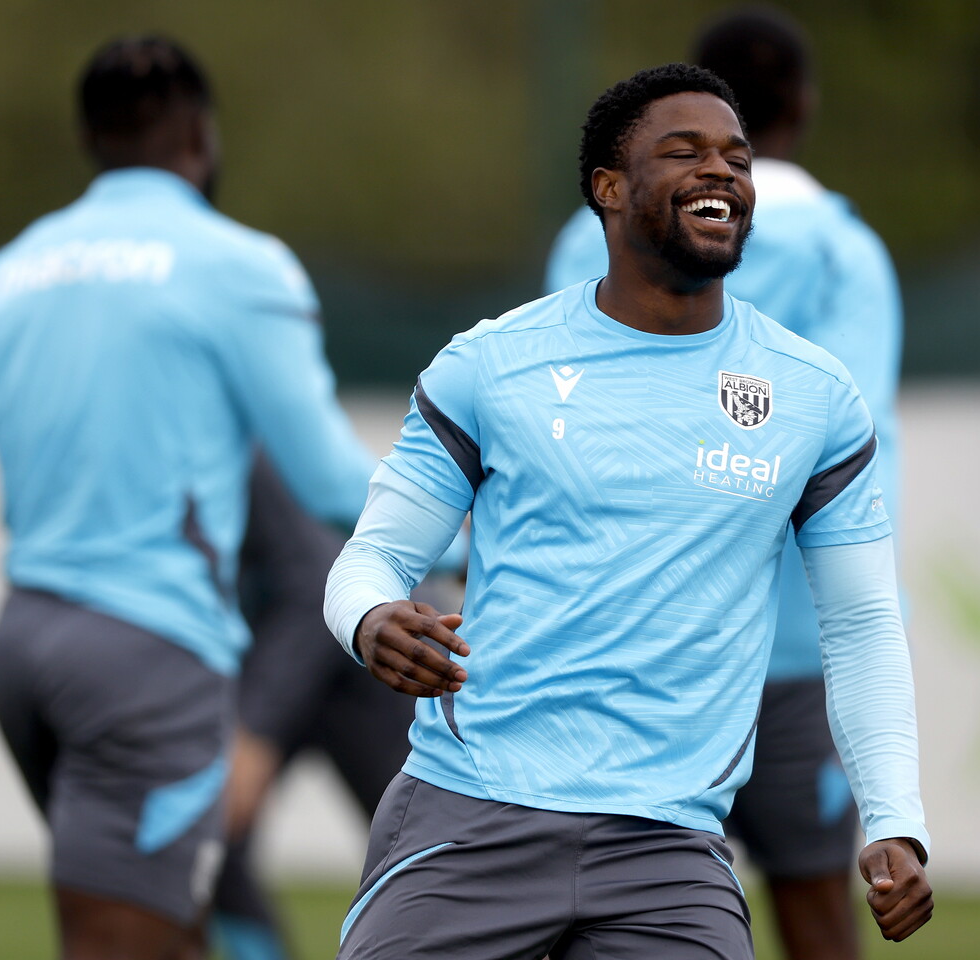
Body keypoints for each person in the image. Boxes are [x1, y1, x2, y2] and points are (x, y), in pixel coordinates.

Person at [323, 63, 932, 959]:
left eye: (736, 156)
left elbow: (862, 621)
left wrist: (895, 816)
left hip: (669, 850)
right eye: (683, 152)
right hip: (468, 816)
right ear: (609, 189)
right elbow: (370, 557)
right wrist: (371, 619)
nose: (720, 171)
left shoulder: (813, 396)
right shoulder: (489, 365)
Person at [0, 35, 376, 960]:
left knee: (176, 933)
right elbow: (325, 480)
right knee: (126, 942)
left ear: (88, 138)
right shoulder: (240, 266)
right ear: (201, 136)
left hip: (26, 657)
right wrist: (484, 524)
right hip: (148, 671)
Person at [544, 9, 904, 959]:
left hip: (617, 653)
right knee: (819, 919)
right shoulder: (844, 251)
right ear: (807, 106)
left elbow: (551, 420)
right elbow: (847, 444)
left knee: (587, 914)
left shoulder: (599, 228)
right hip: (784, 654)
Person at [211, 453, 462, 960]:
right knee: (209, 834)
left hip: (361, 667)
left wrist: (255, 728)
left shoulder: (243, 451)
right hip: (266, 658)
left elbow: (310, 584)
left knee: (434, 854)